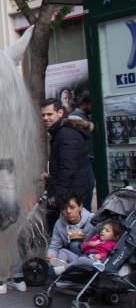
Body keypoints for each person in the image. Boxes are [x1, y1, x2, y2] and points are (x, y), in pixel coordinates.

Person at [41, 98, 94, 232]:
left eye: (49, 114)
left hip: (74, 193)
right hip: (74, 190)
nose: (45, 118)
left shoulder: (66, 134)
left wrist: (56, 197)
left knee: (75, 235)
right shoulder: (60, 132)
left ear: (60, 113)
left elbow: (67, 169)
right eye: (43, 115)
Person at [45, 194, 94, 271]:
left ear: (80, 206)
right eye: (64, 208)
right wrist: (51, 255)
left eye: (72, 207)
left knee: (74, 244)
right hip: (73, 257)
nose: (68, 211)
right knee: (51, 270)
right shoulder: (59, 224)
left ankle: (68, 269)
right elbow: (54, 246)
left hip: (91, 256)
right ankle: (68, 269)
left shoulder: (92, 220)